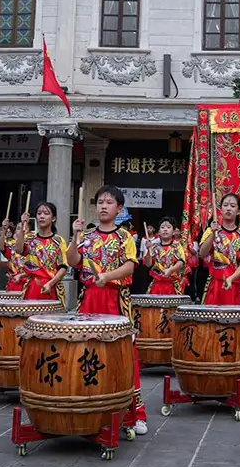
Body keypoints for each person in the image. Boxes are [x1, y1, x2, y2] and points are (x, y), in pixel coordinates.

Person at [69, 185, 147, 435]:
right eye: (100, 201)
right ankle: (88, 409)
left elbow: (130, 267)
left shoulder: (125, 237)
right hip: (89, 300)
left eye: (109, 202)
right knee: (86, 352)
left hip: (116, 301)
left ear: (119, 209)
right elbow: (72, 262)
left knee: (123, 356)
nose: (103, 206)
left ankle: (135, 414)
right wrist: (74, 236)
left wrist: (107, 276)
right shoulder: (87, 236)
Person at [199, 193, 240, 305]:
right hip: (215, 284)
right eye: (225, 205)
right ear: (221, 208)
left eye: (233, 206)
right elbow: (202, 254)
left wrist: (231, 279)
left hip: (234, 283)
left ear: (238, 211)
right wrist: (213, 234)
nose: (228, 208)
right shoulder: (211, 231)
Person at [14, 202, 68, 303]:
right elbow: (18, 250)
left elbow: (63, 267)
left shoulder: (59, 241)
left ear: (53, 218)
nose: (42, 216)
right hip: (32, 286)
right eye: (39, 213)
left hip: (51, 286)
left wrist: (50, 284)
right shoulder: (30, 239)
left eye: (46, 213)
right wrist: (22, 226)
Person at [144, 217, 186, 295]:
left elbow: (181, 262)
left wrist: (170, 270)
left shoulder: (177, 246)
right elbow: (148, 264)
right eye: (162, 227)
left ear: (173, 232)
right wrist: (148, 249)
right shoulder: (154, 246)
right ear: (159, 232)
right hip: (156, 284)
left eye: (168, 227)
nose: (165, 229)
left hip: (172, 284)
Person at [0, 220, 27, 293]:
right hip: (15, 281)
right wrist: (4, 230)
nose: (21, 230)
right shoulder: (10, 245)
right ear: (15, 231)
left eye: (24, 227)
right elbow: (0, 246)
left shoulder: (33, 245)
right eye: (18, 228)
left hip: (28, 281)